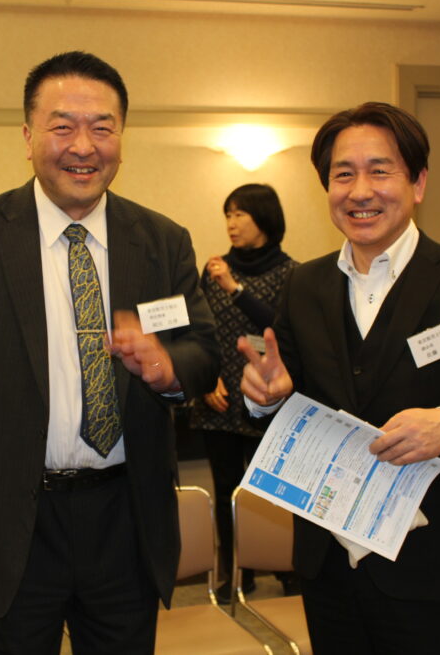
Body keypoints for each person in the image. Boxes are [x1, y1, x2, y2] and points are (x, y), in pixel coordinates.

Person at [0, 51, 220, 655]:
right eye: (62, 127)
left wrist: (168, 370)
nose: (83, 146)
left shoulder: (161, 241)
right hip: (11, 523)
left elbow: (202, 352)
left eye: (102, 127)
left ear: (122, 138)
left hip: (126, 518)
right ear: (28, 137)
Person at [239, 102, 440, 654]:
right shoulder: (304, 286)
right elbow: (291, 399)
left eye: (380, 171)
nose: (360, 191)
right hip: (328, 564)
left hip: (432, 567)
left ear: (418, 182)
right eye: (343, 174)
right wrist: (268, 399)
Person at [188, 183, 297, 602]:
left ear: (263, 219)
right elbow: (200, 330)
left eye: (240, 214)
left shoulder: (291, 273)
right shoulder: (213, 269)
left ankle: (284, 567)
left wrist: (234, 288)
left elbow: (280, 327)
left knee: (272, 490)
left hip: (268, 400)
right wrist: (206, 379)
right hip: (219, 400)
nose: (231, 224)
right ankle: (236, 571)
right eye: (227, 215)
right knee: (226, 490)